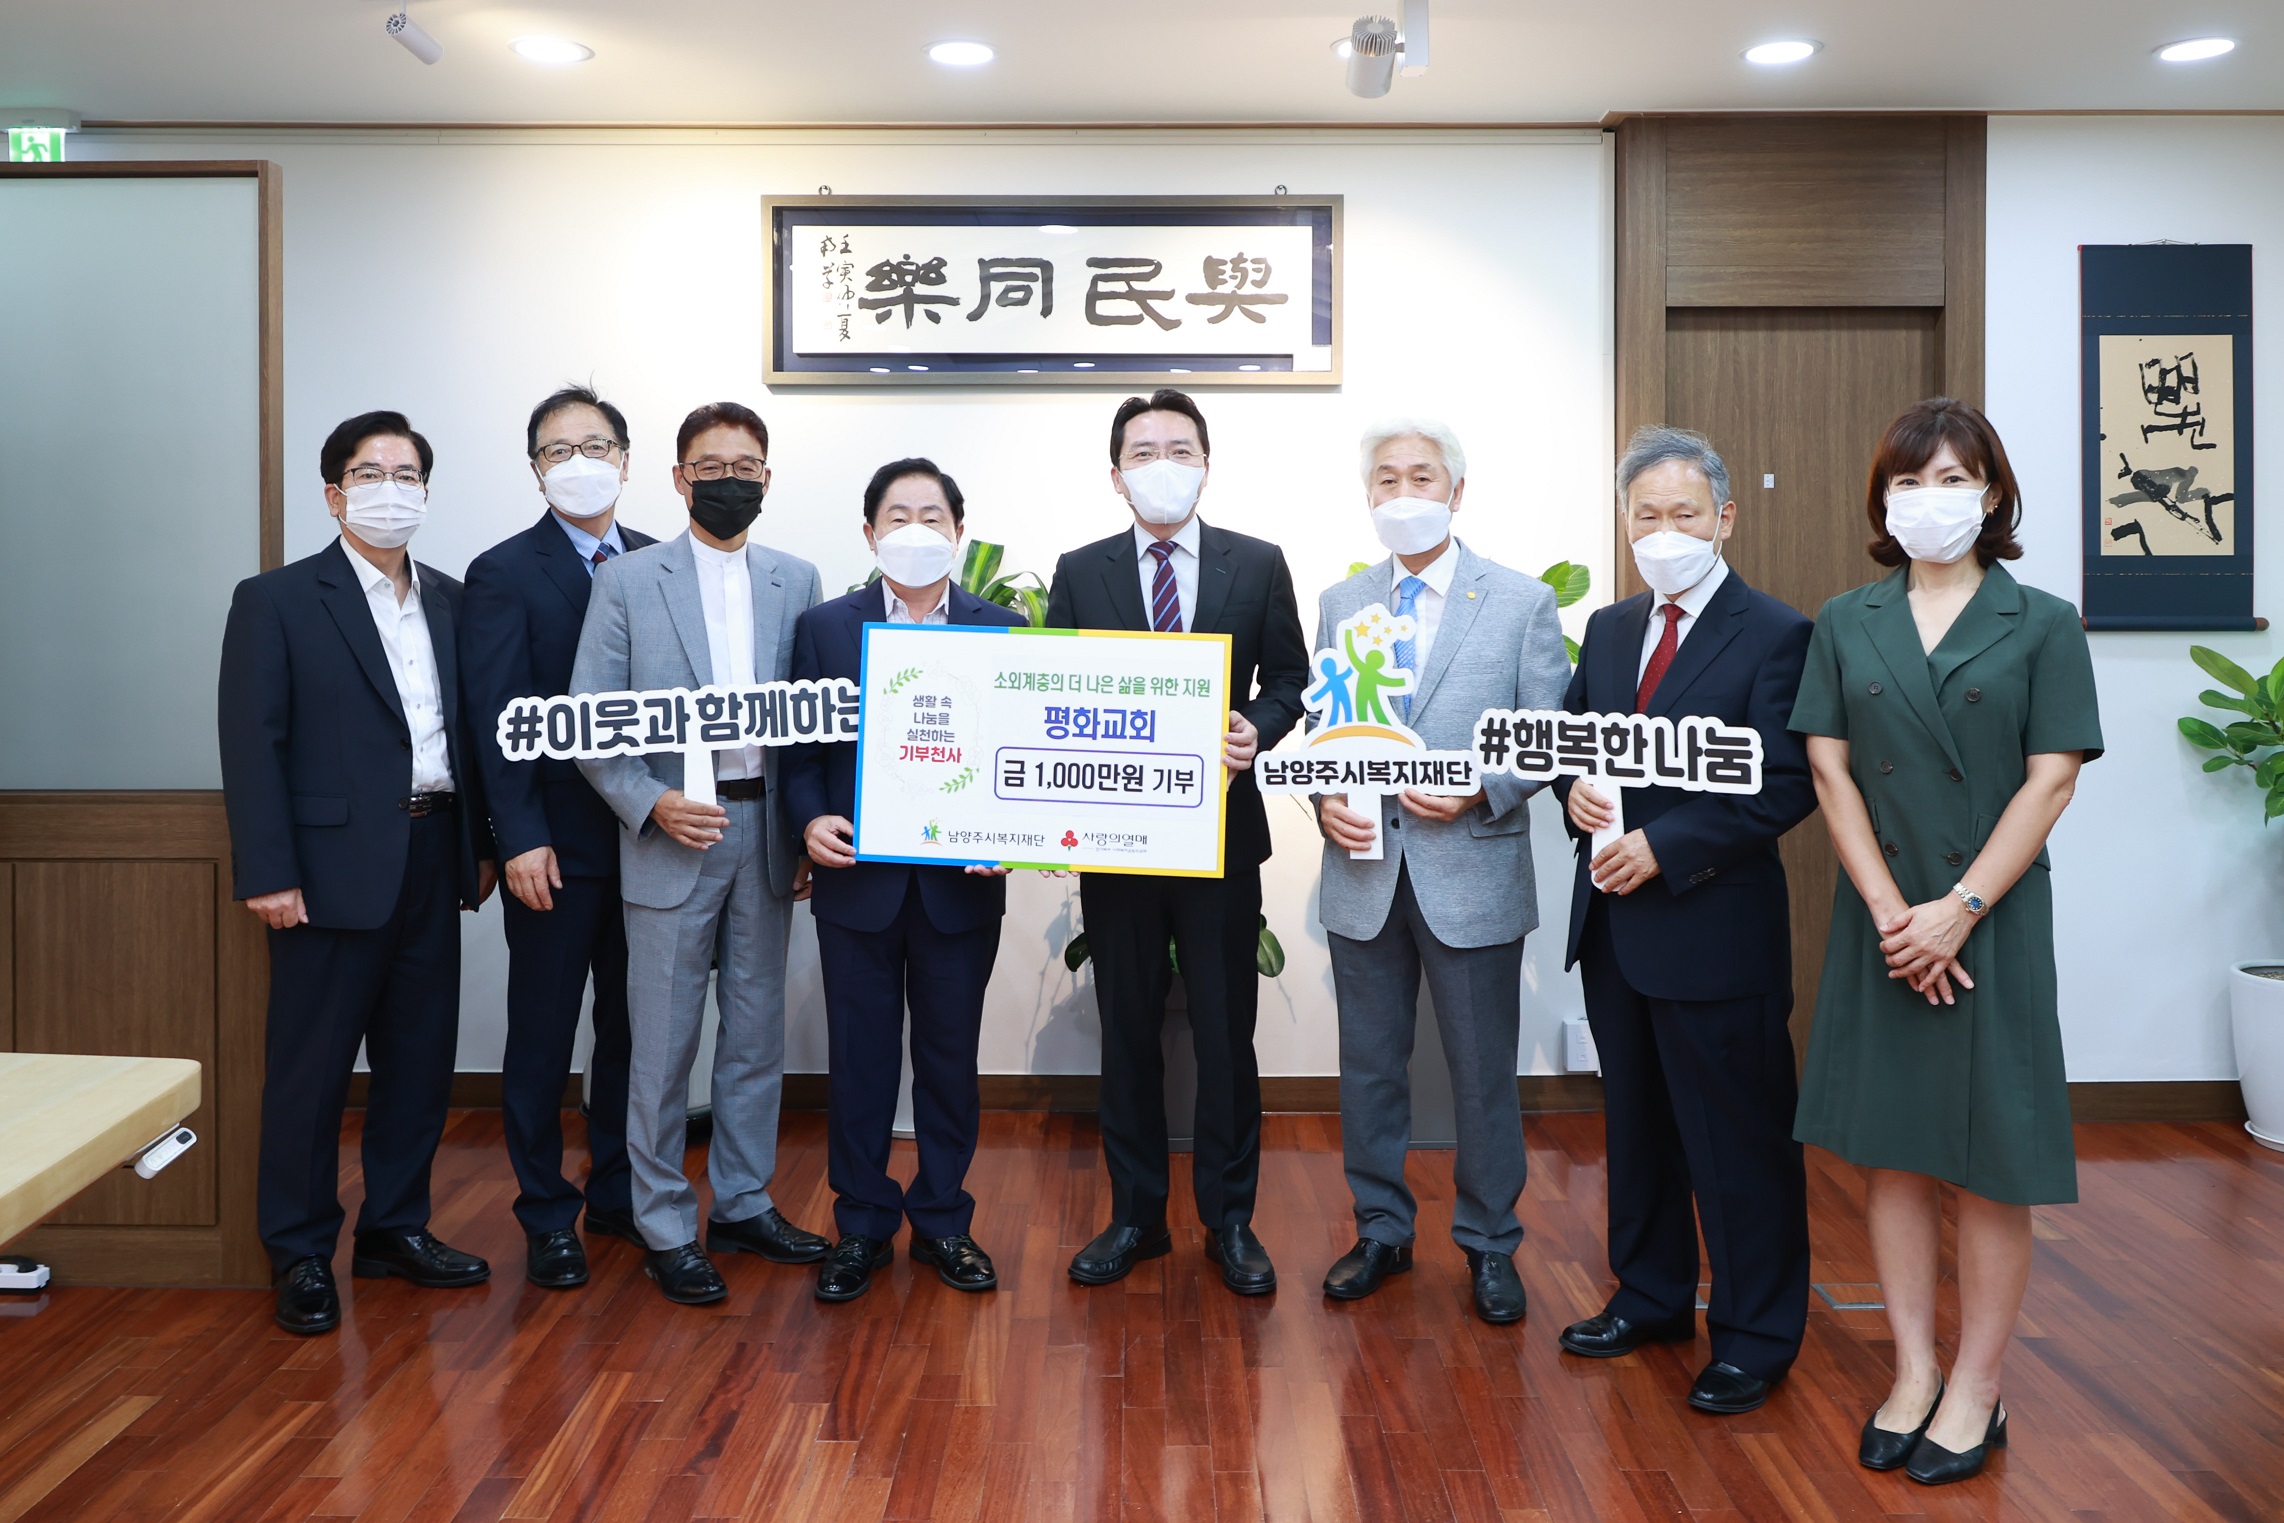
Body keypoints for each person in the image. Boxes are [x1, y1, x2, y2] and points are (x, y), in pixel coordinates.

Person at [1789, 398, 2099, 1485]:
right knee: (1897, 1150)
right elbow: (1827, 768)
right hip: (1884, 920)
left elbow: (2050, 778)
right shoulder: (1846, 618)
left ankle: (1977, 1383)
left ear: (1993, 492)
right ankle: (1914, 1366)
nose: (1931, 499)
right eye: (1909, 481)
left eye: (1954, 478)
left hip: (1991, 918)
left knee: (1994, 1162)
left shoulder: (2043, 621)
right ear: (1882, 500)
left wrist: (1956, 908)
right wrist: (1892, 914)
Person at [1553, 427, 1818, 1413]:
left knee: (1738, 1141)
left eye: (1683, 513)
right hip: (1614, 928)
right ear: (1626, 521)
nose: (1663, 531)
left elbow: (1784, 781)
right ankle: (1651, 1294)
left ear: (1724, 518)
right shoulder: (1609, 628)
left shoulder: (1777, 632)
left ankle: (1755, 1334)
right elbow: (1571, 737)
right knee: (1638, 1128)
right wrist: (1572, 787)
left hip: (1714, 930)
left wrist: (1667, 845)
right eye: (1646, 515)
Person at [219, 411, 498, 1336]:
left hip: (434, 849)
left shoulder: (453, 600)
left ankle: (394, 1228)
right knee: (311, 1072)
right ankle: (299, 1249)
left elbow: (472, 735)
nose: (391, 489)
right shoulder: (277, 600)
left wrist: (482, 844)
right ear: (335, 494)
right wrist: (269, 870)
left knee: (418, 1062)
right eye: (371, 473)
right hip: (326, 868)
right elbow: (253, 744)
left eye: (407, 473)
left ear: (426, 491)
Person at [1047, 388, 1309, 1294]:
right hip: (1119, 841)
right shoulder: (1080, 570)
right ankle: (1137, 1216)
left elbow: (1290, 678)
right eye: (1144, 451)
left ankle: (1230, 1220)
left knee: (1227, 1031)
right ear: (1116, 474)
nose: (1163, 465)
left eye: (1180, 449)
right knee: (1126, 1029)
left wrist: (1256, 728)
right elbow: (1051, 689)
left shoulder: (1257, 562)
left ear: (1206, 464)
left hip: (1223, 837)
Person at [570, 400, 830, 1306]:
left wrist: (807, 822)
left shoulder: (797, 578)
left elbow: (813, 717)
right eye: (711, 467)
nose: (729, 481)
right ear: (679, 479)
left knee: (754, 1036)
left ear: (767, 478)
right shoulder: (627, 581)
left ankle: (745, 1201)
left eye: (745, 467)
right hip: (674, 835)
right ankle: (665, 1224)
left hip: (767, 832)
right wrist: (651, 803)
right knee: (663, 1043)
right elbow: (590, 722)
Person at [1313, 420, 1569, 1325]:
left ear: (1457, 492)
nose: (1403, 491)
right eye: (1386, 477)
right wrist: (1324, 798)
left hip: (1473, 872)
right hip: (1364, 871)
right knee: (1369, 1068)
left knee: (1481, 1071)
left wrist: (1481, 788)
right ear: (1368, 495)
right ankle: (1381, 1228)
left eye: (1421, 476)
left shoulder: (1521, 601)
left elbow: (1547, 732)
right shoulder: (1342, 602)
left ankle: (1490, 1241)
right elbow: (1325, 731)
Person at [782, 459, 1025, 1302]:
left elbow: (1019, 754)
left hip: (961, 887)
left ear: (958, 531)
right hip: (858, 883)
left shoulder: (1004, 627)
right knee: (859, 1063)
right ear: (869, 532)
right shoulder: (825, 627)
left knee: (950, 1061)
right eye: (898, 515)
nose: (915, 529)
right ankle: (861, 1224)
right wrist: (809, 821)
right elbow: (798, 754)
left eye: (932, 515)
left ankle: (944, 1220)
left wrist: (1011, 832)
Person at [460, 385, 657, 1290]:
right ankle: (546, 1210)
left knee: (633, 1031)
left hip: (650, 842)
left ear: (626, 458)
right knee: (542, 1034)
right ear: (536, 469)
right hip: (555, 850)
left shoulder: (661, 561)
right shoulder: (503, 572)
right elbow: (496, 718)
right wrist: (519, 836)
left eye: (596, 445)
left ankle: (615, 1189)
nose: (580, 463)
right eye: (558, 450)